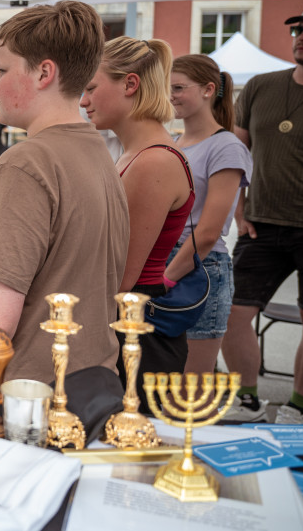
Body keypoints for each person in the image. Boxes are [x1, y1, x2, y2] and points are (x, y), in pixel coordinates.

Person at [0, 0, 129, 398]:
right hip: (91, 384)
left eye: (2, 69)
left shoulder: (28, 163)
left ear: (44, 72)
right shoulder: (98, 151)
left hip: (24, 399)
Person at [81, 36, 195, 399]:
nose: (83, 100)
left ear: (130, 84)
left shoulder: (153, 160)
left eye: (91, 88)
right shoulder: (137, 153)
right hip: (131, 322)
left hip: (138, 331)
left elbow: (122, 272)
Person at [223, 1, 303, 424]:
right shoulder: (261, 85)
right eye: (299, 29)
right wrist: (239, 211)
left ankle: (297, 408)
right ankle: (248, 399)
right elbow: (235, 154)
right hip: (259, 226)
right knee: (233, 314)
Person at [167, 55, 252, 375]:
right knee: (164, 375)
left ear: (208, 90)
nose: (171, 95)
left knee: (192, 385)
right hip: (172, 262)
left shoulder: (226, 146)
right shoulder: (177, 142)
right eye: (168, 88)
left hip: (199, 267)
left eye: (178, 87)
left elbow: (208, 232)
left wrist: (165, 278)